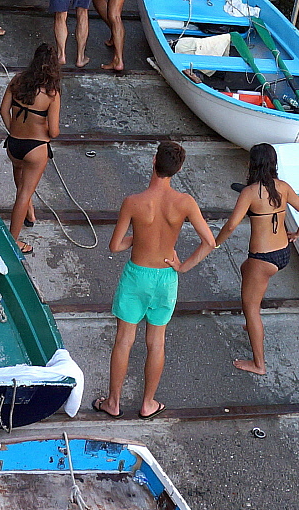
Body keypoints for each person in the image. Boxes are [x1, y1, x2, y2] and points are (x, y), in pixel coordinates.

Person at [91, 141, 216, 420]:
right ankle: (148, 403)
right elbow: (209, 241)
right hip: (165, 277)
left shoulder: (133, 202)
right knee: (156, 342)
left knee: (124, 340)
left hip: (137, 274)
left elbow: (114, 246)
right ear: (178, 169)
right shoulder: (185, 203)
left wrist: (139, 237)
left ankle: (113, 402)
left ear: (153, 161)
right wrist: (183, 266)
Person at [213, 144, 299, 375]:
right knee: (244, 268)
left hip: (262, 257)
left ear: (251, 165)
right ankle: (252, 324)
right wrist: (297, 234)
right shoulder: (283, 187)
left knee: (251, 307)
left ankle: (259, 364)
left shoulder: (250, 192)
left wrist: (216, 242)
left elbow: (230, 225)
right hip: (282, 253)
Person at [0, 43, 62, 254]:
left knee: (21, 180)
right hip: (35, 148)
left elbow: (3, 110)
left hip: (14, 144)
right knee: (24, 193)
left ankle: (30, 213)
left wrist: (14, 129)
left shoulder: (17, 81)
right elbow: (53, 132)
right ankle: (12, 241)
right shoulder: (51, 94)